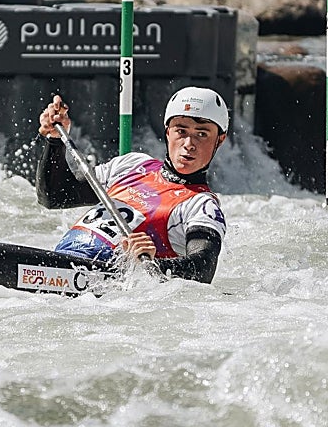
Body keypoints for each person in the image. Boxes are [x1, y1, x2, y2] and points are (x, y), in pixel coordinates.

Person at [35, 87, 229, 284]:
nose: (189, 143)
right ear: (167, 131)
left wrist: (154, 264)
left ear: (220, 140)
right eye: (181, 131)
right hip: (59, 268)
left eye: (202, 134)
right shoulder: (132, 165)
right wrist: (55, 141)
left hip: (105, 292)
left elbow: (203, 269)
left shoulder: (201, 205)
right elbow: (54, 197)